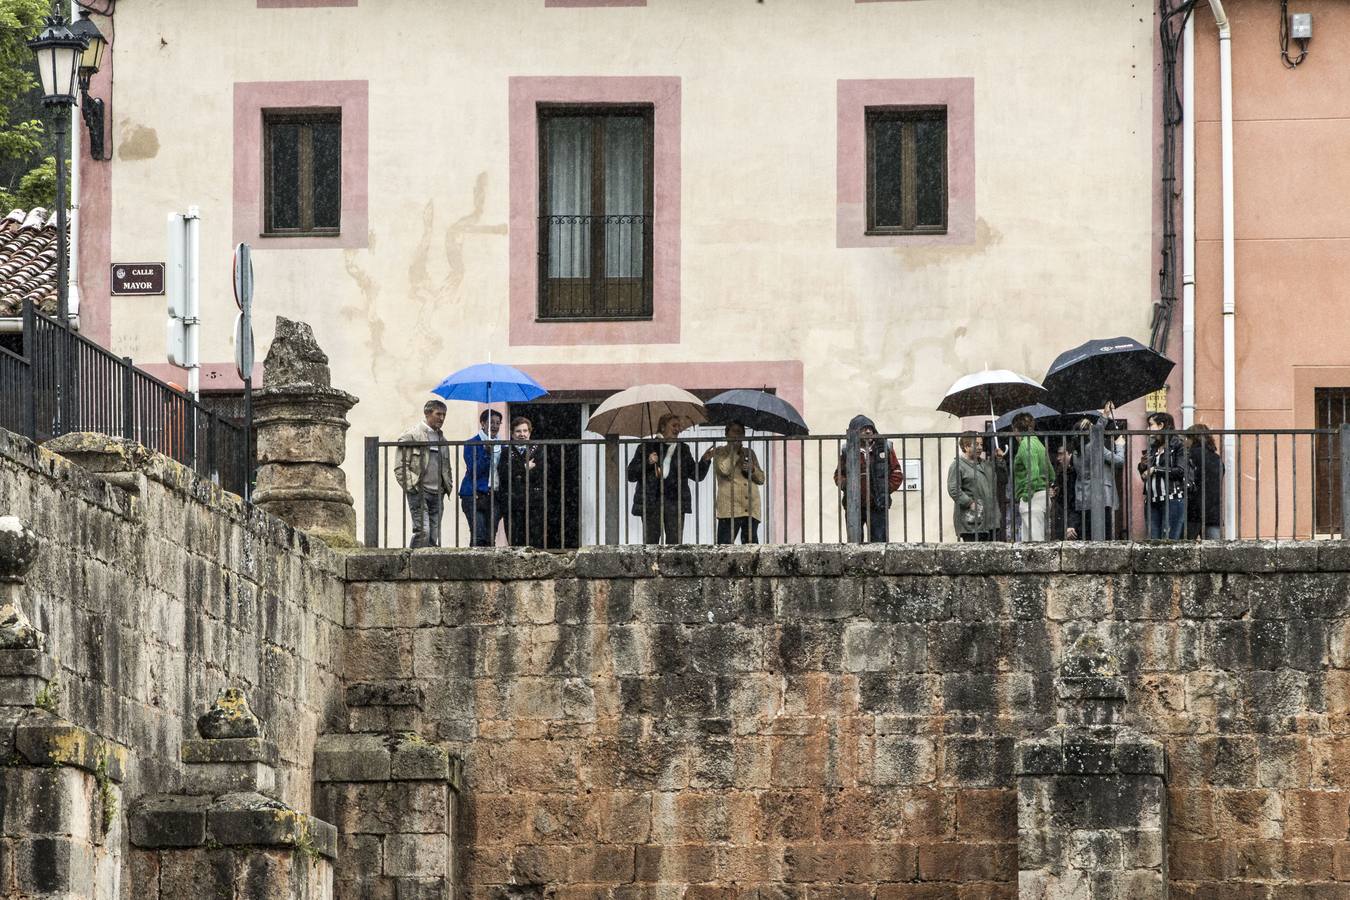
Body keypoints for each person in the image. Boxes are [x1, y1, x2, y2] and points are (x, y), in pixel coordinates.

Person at [627, 413, 698, 544]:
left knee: (674, 545)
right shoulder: (647, 447)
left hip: (675, 502)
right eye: (674, 425)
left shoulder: (683, 449)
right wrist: (648, 462)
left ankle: (671, 566)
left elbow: (696, 475)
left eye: (679, 426)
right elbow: (630, 475)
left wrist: (705, 460)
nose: (678, 429)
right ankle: (651, 565)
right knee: (651, 544)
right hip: (651, 503)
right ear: (663, 427)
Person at [833, 414, 902, 543]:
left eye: (871, 428)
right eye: (864, 428)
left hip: (878, 505)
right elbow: (838, 475)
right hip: (854, 505)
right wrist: (848, 486)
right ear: (855, 432)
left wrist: (885, 489)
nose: (868, 431)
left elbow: (897, 473)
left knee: (879, 543)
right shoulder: (847, 450)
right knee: (854, 544)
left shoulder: (885, 447)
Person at [394, 399, 453, 548]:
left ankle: (430, 568)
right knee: (423, 531)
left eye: (444, 415)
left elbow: (447, 467)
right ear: (427, 414)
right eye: (438, 414)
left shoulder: (443, 440)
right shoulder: (411, 436)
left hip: (437, 493)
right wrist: (412, 486)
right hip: (419, 491)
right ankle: (411, 563)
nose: (442, 418)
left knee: (433, 536)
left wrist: (447, 486)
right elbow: (400, 467)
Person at [698, 421, 765, 544]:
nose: (737, 434)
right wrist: (734, 452)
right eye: (734, 431)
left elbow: (761, 479)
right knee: (725, 547)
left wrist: (753, 469)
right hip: (729, 508)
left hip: (750, 507)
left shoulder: (749, 453)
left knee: (750, 547)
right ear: (726, 434)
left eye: (740, 432)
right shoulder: (720, 452)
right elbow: (724, 470)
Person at [1067, 408, 1127, 540]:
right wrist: (1120, 445)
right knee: (1104, 535)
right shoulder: (1095, 446)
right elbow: (1119, 461)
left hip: (1084, 496)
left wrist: (1104, 415)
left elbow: (1097, 430)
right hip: (1101, 497)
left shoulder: (1077, 452)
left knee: (1088, 534)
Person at [1138, 411, 1187, 540]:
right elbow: (1146, 472)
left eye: (1150, 425)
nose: (1147, 429)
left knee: (1169, 541)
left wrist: (1155, 469)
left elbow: (1180, 471)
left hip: (1172, 498)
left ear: (1161, 425)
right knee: (1153, 541)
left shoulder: (1178, 444)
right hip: (1152, 499)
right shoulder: (1153, 447)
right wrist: (1142, 467)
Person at [499, 416, 546, 549]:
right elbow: (503, 473)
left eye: (525, 431)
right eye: (518, 431)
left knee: (534, 540)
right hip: (513, 501)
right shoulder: (506, 451)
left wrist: (516, 473)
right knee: (515, 541)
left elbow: (541, 472)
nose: (522, 434)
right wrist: (524, 468)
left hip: (533, 501)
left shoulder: (538, 449)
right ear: (512, 434)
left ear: (530, 433)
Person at [460, 409, 504, 547]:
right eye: (491, 422)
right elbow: (474, 470)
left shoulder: (502, 445)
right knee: (478, 536)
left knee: (490, 538)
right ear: (483, 423)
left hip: (494, 495)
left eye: (498, 423)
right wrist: (486, 452)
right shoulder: (472, 443)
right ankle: (475, 568)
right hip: (474, 494)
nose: (495, 426)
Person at [946, 431, 999, 541]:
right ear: (966, 446)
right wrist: (969, 503)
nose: (980, 448)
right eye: (976, 444)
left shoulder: (986, 465)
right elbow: (953, 488)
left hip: (990, 521)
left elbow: (1002, 479)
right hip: (971, 521)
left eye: (981, 444)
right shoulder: (958, 465)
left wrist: (1000, 461)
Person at [1009, 412, 1051, 541]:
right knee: (1036, 543)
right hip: (1042, 495)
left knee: (1034, 544)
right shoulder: (1038, 443)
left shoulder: (1025, 445)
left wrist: (1027, 495)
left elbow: (1033, 472)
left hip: (1033, 498)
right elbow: (1051, 470)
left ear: (1016, 430)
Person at [1184, 423, 1223, 539]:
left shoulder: (1190, 456)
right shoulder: (1216, 457)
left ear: (1193, 439)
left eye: (1187, 438)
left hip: (1193, 508)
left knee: (1186, 548)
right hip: (1213, 509)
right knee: (1214, 550)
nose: (1185, 442)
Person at [1049, 442, 1079, 540]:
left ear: (1070, 454)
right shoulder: (1062, 472)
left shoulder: (1075, 472)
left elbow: (1073, 501)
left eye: (1061, 454)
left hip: (1072, 524)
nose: (1058, 458)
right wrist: (1054, 491)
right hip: (1063, 519)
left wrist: (1071, 524)